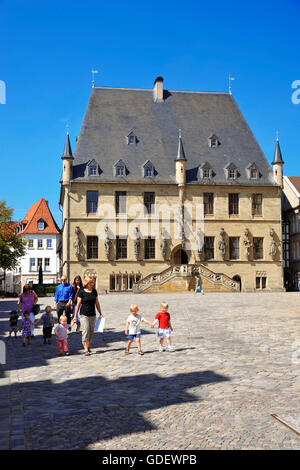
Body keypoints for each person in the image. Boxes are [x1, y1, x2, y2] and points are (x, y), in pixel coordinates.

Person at [73, 276, 103, 356]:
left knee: (91, 332)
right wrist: (75, 316)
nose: (92, 284)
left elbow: (97, 303)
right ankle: (86, 348)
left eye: (92, 282)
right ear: (86, 283)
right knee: (86, 330)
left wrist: (100, 313)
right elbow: (78, 304)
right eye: (90, 282)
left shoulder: (94, 291)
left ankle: (88, 345)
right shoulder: (81, 291)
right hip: (84, 314)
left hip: (93, 314)